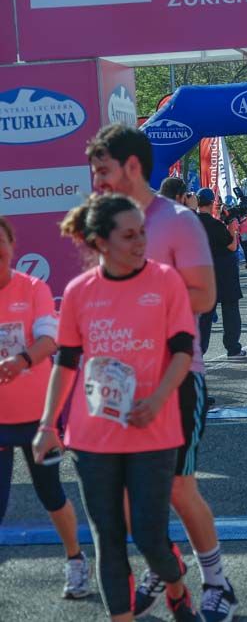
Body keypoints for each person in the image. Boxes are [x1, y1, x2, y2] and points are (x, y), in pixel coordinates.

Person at [86, 124, 236, 621]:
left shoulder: (176, 221)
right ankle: (164, 560)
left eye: (104, 169)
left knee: (177, 488)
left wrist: (141, 300)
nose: (98, 179)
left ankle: (217, 582)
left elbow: (205, 297)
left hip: (176, 375)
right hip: (119, 383)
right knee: (128, 499)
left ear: (131, 166)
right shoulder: (101, 222)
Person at [34, 194, 201, 621]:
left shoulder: (165, 282)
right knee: (108, 537)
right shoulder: (78, 292)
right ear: (100, 243)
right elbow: (67, 363)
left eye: (142, 232)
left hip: (154, 427)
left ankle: (175, 583)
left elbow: (183, 350)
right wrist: (48, 424)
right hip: (94, 435)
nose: (140, 242)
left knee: (148, 536)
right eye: (129, 235)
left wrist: (160, 397)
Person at [0, 216, 90, 600]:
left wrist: (20, 361)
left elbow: (49, 340)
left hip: (39, 418)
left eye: (0, 243)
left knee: (51, 494)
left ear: (10, 247)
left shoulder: (33, 287)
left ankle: (75, 560)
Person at [195, 189, 246, 359]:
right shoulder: (215, 225)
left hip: (202, 271)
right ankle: (233, 348)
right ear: (213, 202)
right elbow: (231, 246)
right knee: (230, 310)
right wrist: (232, 227)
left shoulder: (191, 221)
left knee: (204, 315)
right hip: (224, 270)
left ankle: (198, 351)